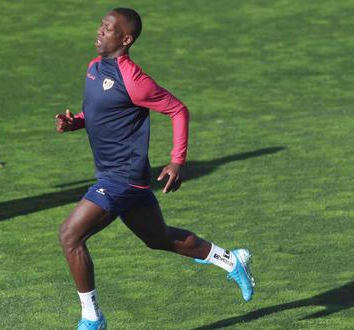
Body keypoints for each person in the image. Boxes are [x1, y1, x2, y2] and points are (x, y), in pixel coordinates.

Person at [55, 8, 255, 330]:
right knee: (158, 238)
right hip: (117, 177)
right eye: (101, 26)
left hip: (122, 177)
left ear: (126, 39)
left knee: (70, 235)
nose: (99, 31)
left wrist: (177, 160)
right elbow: (101, 111)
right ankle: (232, 260)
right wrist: (75, 122)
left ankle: (92, 318)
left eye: (107, 29)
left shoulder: (134, 79)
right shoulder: (95, 67)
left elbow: (178, 109)